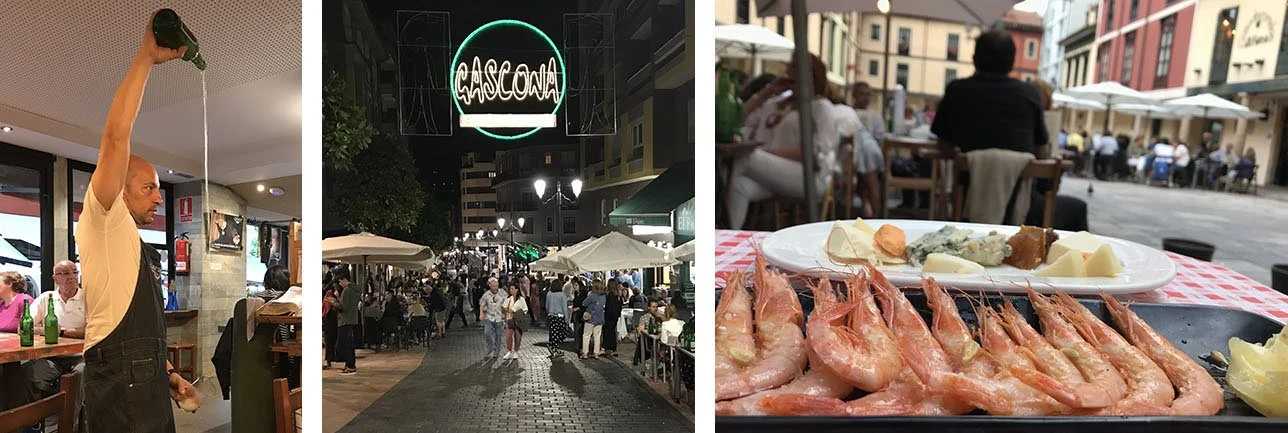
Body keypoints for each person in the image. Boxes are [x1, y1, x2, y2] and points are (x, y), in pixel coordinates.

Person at [75, 20, 199, 430]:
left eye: (159, 188)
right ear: (120, 190)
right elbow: (115, 138)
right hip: (117, 389)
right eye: (148, 187)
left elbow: (140, 332)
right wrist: (146, 57)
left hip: (145, 387)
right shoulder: (103, 216)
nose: (159, 196)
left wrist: (168, 376)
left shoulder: (136, 245)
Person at [727, 53, 838, 229]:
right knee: (740, 185)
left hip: (808, 176)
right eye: (789, 66)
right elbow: (736, 119)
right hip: (773, 173)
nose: (788, 71)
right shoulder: (776, 102)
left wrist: (766, 154)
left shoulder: (821, 107)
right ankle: (729, 235)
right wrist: (767, 92)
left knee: (744, 157)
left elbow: (815, 153)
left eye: (795, 67)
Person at [330, 268, 360, 375]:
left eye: (339, 281)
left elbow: (343, 307)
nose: (339, 284)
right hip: (352, 319)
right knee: (348, 343)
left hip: (345, 320)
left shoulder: (347, 290)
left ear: (343, 279)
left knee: (344, 344)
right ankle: (349, 365)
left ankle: (350, 366)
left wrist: (333, 302)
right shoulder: (355, 289)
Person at [479, 277, 506, 359]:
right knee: (487, 333)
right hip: (489, 316)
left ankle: (497, 351)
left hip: (499, 317)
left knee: (498, 335)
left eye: (496, 286)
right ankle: (491, 346)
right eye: (493, 286)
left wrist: (504, 313)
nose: (495, 288)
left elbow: (507, 303)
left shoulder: (503, 293)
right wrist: (481, 314)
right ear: (489, 285)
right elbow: (482, 304)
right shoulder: (486, 294)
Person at [580, 282, 608, 359]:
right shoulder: (603, 296)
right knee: (597, 336)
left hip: (591, 318)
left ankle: (585, 353)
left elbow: (584, 303)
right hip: (600, 318)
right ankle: (596, 353)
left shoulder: (592, 296)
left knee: (586, 335)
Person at [502, 284, 528, 360]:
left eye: (512, 289)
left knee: (518, 336)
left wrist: (518, 313)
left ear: (517, 290)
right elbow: (504, 307)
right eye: (510, 289)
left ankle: (516, 351)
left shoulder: (521, 299)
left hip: (518, 320)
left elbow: (525, 309)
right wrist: (507, 310)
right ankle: (509, 351)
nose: (511, 290)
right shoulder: (508, 298)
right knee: (508, 336)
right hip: (509, 319)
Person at [632, 301, 662, 366]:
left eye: (656, 307)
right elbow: (640, 331)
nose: (655, 309)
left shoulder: (660, 317)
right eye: (653, 307)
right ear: (649, 307)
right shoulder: (645, 317)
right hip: (649, 339)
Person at [545, 281, 569, 358]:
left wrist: (549, 313)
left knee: (553, 332)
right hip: (560, 316)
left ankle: (553, 347)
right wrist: (566, 319)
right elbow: (564, 308)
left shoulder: (549, 294)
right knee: (562, 333)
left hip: (551, 316)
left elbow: (547, 305)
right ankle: (554, 347)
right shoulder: (562, 295)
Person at [602, 281, 623, 357]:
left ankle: (608, 348)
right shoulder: (618, 295)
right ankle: (613, 348)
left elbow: (609, 307)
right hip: (615, 316)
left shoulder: (610, 295)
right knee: (612, 332)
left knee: (608, 332)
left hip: (609, 316)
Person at [322, 277, 339, 369]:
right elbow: (326, 306)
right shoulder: (330, 293)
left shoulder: (337, 292)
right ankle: (330, 359)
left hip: (333, 318)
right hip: (330, 318)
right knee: (329, 340)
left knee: (331, 339)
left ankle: (332, 359)